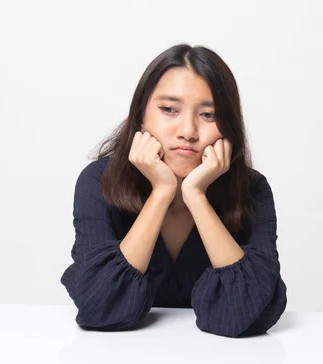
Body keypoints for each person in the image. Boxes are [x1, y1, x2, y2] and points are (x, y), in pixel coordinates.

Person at [60, 44, 287, 338]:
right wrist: (162, 192)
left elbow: (245, 312)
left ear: (228, 126)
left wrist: (196, 196)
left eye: (208, 114)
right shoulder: (99, 183)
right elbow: (100, 308)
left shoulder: (251, 190)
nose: (188, 131)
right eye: (169, 110)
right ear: (141, 115)